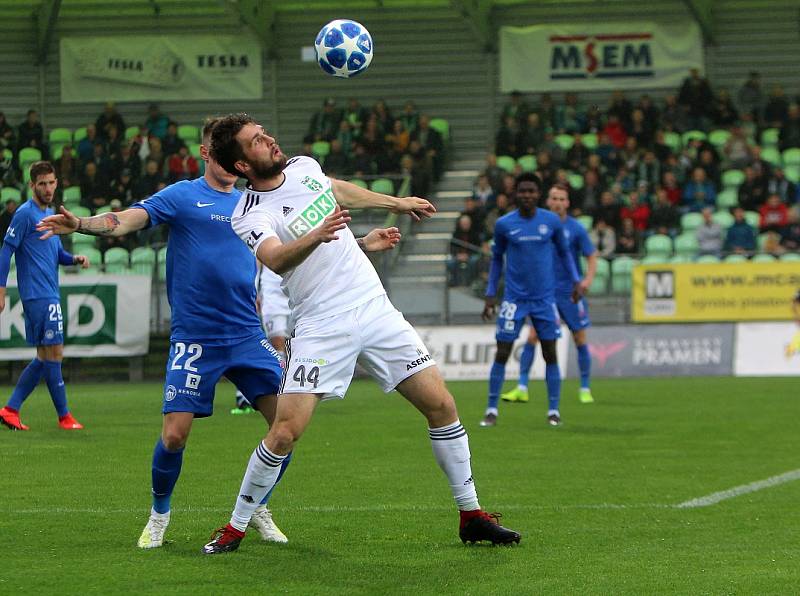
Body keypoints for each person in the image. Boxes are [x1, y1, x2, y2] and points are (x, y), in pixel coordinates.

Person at [37, 118, 405, 549]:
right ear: (208, 155)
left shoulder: (259, 200)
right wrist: (81, 224)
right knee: (174, 435)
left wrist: (360, 243)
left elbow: (299, 247)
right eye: (223, 149)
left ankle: (258, 507)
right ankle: (159, 516)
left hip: (248, 333)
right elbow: (125, 221)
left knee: (285, 428)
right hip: (195, 336)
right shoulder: (182, 196)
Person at [202, 113, 520, 553]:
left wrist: (396, 203)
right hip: (320, 325)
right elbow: (276, 259)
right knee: (285, 430)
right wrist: (319, 235)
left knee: (442, 404)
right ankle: (235, 527)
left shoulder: (303, 167)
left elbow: (337, 189)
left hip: (374, 309)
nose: (270, 140)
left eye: (265, 133)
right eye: (256, 141)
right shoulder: (248, 214)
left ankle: (471, 515)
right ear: (240, 165)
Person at [480, 173, 582, 429]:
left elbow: (565, 253)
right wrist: (491, 293)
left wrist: (575, 281)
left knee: (550, 354)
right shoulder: (504, 224)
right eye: (522, 191)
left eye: (532, 191)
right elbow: (496, 260)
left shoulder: (551, 222)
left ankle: (554, 410)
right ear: (515, 194)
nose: (527, 195)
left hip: (544, 300)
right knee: (502, 352)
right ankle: (491, 409)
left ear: (538, 194)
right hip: (514, 300)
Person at [0, 162, 90, 431]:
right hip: (38, 296)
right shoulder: (25, 215)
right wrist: (1, 290)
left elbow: (56, 253)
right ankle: (64, 416)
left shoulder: (51, 214)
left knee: (44, 356)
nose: (48, 188)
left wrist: (74, 258)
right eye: (42, 184)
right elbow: (6, 252)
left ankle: (10, 409)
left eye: (51, 182)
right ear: (32, 185)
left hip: (49, 293)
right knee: (55, 353)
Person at [501, 183, 595, 407]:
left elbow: (591, 255)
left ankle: (585, 387)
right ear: (548, 201)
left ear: (568, 203)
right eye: (554, 198)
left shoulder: (576, 228)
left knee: (579, 337)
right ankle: (522, 387)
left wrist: (587, 280)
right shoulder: (538, 225)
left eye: (562, 199)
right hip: (544, 293)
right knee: (533, 336)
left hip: (569, 292)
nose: (558, 203)